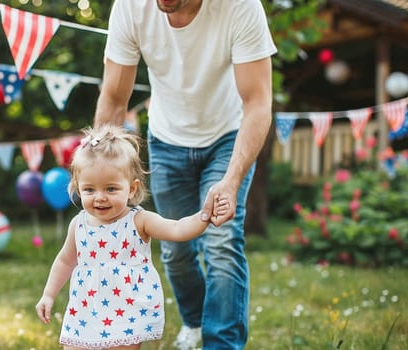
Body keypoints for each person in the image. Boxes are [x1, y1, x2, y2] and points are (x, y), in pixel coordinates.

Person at [92, 1, 277, 349]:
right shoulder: (131, 7)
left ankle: (221, 343)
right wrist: (100, 173)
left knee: (221, 242)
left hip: (228, 137)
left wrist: (232, 180)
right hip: (166, 140)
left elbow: (257, 102)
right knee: (175, 251)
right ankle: (193, 322)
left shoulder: (240, 6)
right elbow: (115, 100)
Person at [35, 125, 229, 350]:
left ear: (132, 189)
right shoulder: (79, 224)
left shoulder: (139, 221)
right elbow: (65, 260)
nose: (100, 197)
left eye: (111, 189)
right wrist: (49, 295)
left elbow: (177, 229)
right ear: (78, 187)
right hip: (85, 309)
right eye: (89, 190)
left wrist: (204, 216)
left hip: (125, 310)